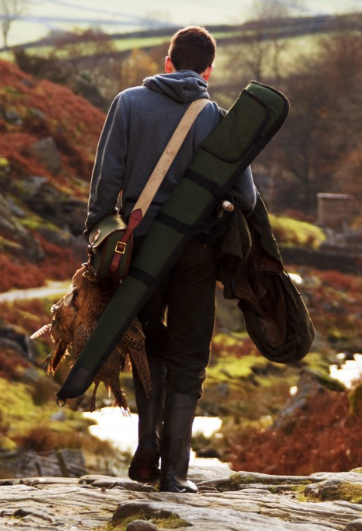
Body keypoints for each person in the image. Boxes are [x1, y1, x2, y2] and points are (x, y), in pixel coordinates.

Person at [84, 26, 256, 493]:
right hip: (196, 252)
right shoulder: (218, 118)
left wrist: (101, 237)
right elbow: (246, 195)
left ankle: (146, 448)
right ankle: (175, 472)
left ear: (166, 62)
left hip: (139, 249)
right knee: (188, 355)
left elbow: (105, 182)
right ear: (208, 70)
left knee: (147, 346)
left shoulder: (127, 103)